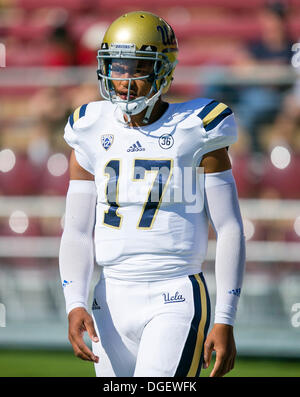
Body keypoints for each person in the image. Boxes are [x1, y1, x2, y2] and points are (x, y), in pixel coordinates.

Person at [59, 11, 245, 377]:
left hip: (174, 291)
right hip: (109, 297)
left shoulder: (197, 129)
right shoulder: (88, 127)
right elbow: (77, 230)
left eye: (138, 67)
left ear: (163, 69)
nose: (125, 79)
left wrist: (225, 317)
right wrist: (74, 301)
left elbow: (230, 228)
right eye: (118, 66)